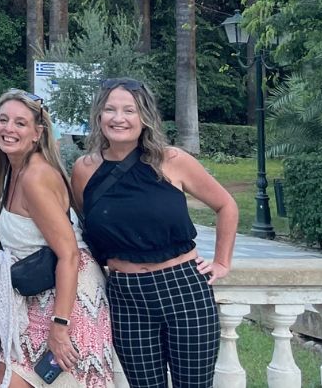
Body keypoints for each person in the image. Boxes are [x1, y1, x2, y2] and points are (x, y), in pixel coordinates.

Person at [73, 78, 236, 388]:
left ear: (144, 116)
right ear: (98, 115)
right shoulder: (84, 169)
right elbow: (79, 230)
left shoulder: (171, 161)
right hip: (126, 294)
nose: (118, 118)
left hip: (183, 289)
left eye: (128, 110)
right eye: (110, 109)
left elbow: (226, 205)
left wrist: (222, 262)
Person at [0, 90, 114, 388]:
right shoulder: (13, 170)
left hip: (67, 299)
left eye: (20, 123)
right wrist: (6, 254)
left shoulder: (35, 176)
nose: (9, 129)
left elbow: (69, 254)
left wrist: (60, 326)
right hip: (36, 293)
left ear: (37, 133)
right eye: (4, 120)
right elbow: (35, 235)